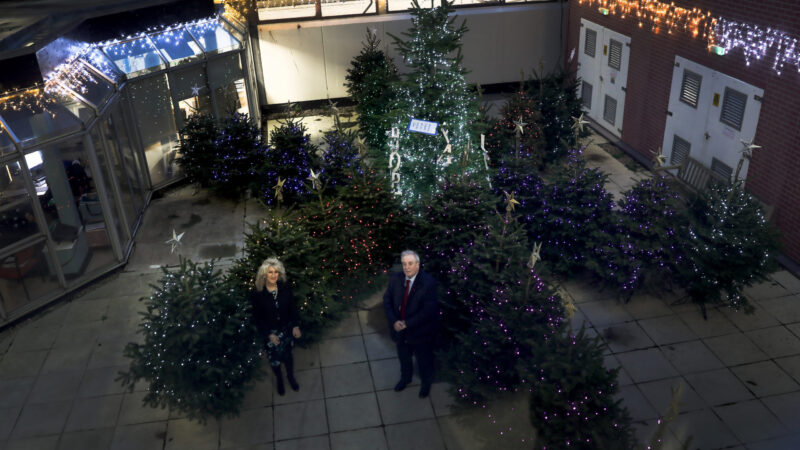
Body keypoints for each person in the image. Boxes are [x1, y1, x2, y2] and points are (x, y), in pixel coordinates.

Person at [383, 250, 439, 398]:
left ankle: (425, 385)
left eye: (410, 263)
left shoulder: (428, 284)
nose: (407, 267)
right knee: (404, 358)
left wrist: (407, 323)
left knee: (423, 361)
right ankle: (405, 379)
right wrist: (394, 321)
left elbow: (428, 311)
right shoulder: (396, 279)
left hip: (420, 332)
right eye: (404, 264)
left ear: (418, 264)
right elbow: (387, 301)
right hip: (400, 331)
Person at [250, 257, 302, 396]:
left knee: (288, 356)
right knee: (275, 360)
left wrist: (295, 326)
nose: (273, 275)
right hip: (271, 333)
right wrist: (269, 334)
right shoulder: (258, 294)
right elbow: (258, 317)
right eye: (270, 272)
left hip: (286, 329)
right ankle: (279, 379)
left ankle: (290, 376)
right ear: (264, 275)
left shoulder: (285, 287)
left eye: (276, 272)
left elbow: (292, 307)